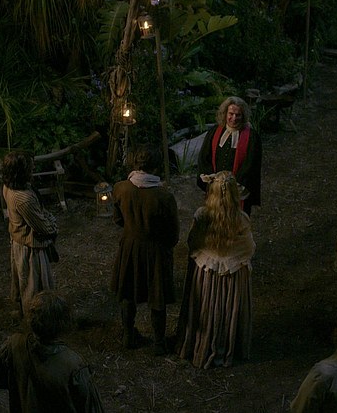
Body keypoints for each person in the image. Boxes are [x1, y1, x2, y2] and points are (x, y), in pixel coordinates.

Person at [176, 171, 255, 368]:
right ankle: (225, 343)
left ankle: (201, 342)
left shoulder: (202, 215)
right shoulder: (242, 220)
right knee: (227, 311)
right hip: (232, 276)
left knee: (205, 309)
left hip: (206, 274)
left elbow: (193, 242)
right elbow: (248, 249)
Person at [111, 143, 180, 355]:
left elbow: (117, 219)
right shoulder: (164, 196)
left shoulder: (120, 188)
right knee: (157, 296)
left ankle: (128, 335)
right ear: (156, 166)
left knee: (128, 292)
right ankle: (159, 343)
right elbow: (173, 233)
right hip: (156, 250)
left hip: (130, 247)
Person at [0, 291, 104, 413]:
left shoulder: (14, 344)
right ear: (63, 323)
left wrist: (20, 382)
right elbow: (93, 409)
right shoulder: (74, 365)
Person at [2, 151, 58, 320]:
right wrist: (53, 224)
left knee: (24, 281)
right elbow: (43, 227)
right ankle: (34, 319)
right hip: (30, 247)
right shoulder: (23, 198)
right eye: (30, 167)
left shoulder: (9, 187)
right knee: (33, 287)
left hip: (20, 242)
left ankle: (27, 312)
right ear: (21, 171)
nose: (33, 169)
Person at [197, 96, 262, 215]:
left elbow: (251, 165)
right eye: (231, 114)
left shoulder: (251, 137)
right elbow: (204, 157)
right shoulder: (214, 132)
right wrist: (212, 179)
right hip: (215, 187)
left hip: (237, 189)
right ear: (225, 113)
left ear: (243, 116)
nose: (234, 118)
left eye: (238, 115)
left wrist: (233, 185)